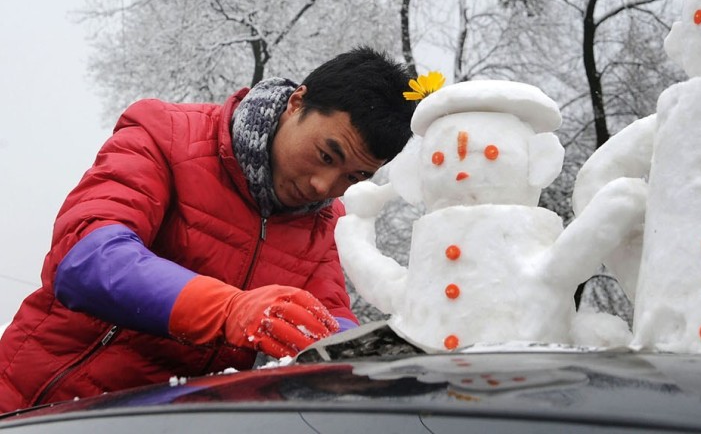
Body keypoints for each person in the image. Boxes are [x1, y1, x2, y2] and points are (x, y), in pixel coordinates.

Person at [0, 46, 416, 412]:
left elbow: (326, 321)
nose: (324, 187)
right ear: (296, 102)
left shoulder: (325, 220)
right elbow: (86, 257)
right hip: (39, 404)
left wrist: (370, 353)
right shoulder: (165, 134)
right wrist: (229, 310)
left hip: (166, 423)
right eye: (327, 155)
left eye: (354, 177)